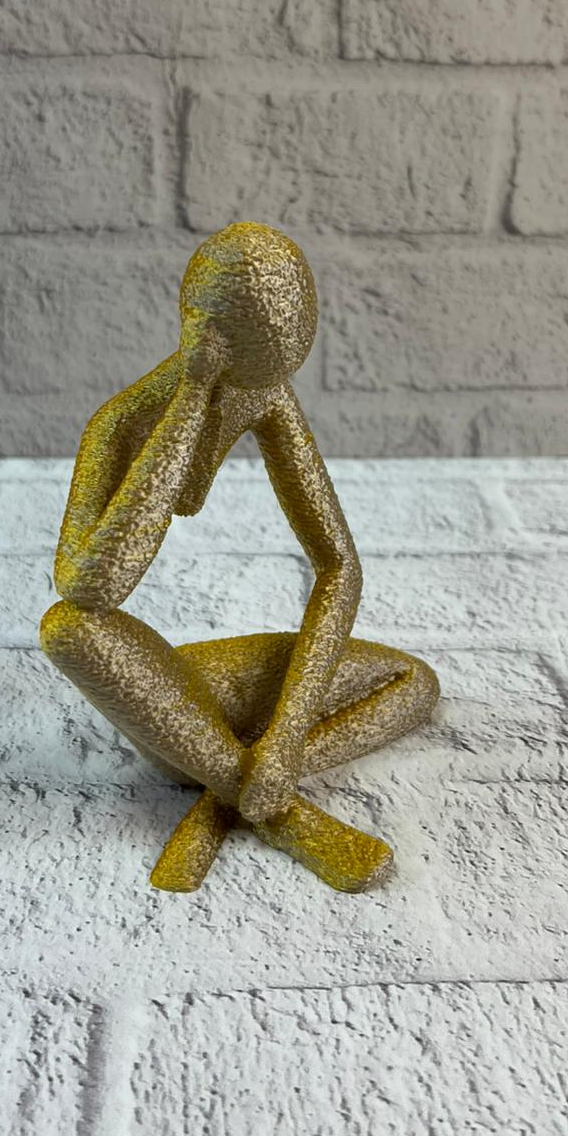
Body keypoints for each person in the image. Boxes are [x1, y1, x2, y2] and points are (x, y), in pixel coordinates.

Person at [40, 223, 439, 892]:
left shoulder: (266, 393)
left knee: (413, 682)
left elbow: (338, 566)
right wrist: (190, 400)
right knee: (67, 629)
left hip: (222, 713)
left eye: (280, 372)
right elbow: (90, 589)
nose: (271, 388)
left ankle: (234, 786)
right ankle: (279, 811)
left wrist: (282, 741)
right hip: (161, 697)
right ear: (204, 336)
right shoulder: (117, 426)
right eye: (257, 369)